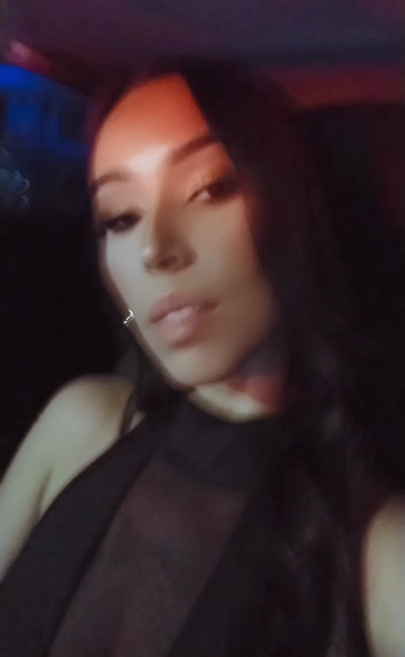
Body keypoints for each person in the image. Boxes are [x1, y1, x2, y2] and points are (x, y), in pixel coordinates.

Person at [0, 58, 404, 657]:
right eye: (120, 217)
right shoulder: (80, 425)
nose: (155, 248)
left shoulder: (376, 553)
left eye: (210, 187)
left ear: (291, 205)